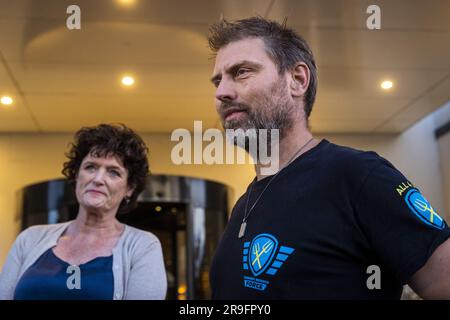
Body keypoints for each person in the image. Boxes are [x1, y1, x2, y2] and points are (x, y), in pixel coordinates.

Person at [208, 17, 450, 299]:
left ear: (297, 80)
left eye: (241, 72)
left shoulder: (359, 176)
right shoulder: (246, 202)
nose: (221, 92)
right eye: (217, 80)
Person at [0, 124, 167, 300]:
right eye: (90, 167)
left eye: (113, 172)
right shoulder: (30, 239)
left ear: (129, 189)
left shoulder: (143, 246)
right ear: (77, 175)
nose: (98, 179)